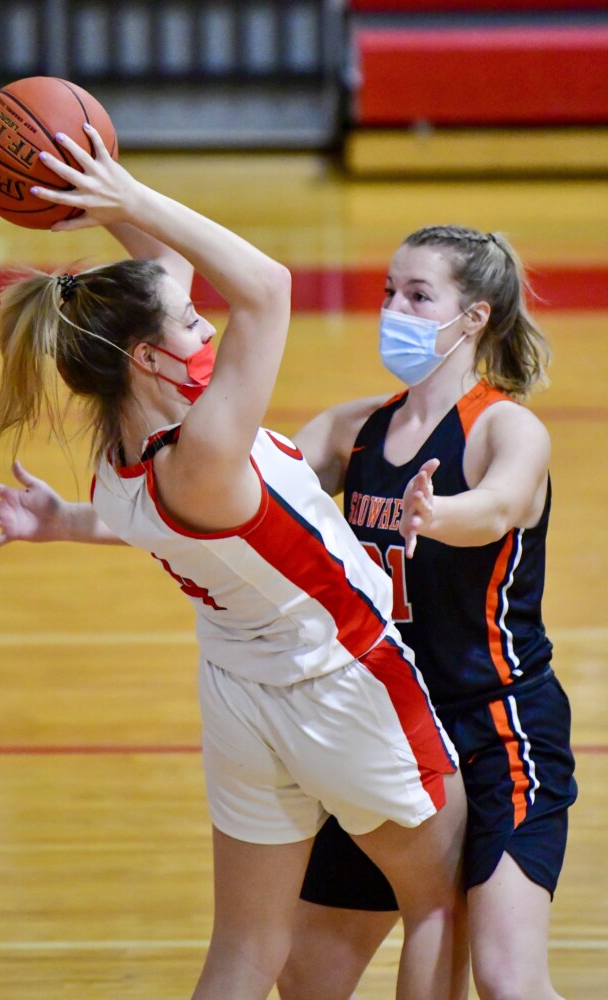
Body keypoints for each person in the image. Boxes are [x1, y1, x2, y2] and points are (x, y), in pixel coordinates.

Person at [0, 126, 468, 1000]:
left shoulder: (120, 464)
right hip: (341, 678)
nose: (206, 322)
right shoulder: (209, 446)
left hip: (237, 697)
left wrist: (63, 522)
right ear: (150, 358)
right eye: (191, 324)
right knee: (439, 902)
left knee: (243, 954)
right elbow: (268, 288)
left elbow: (164, 285)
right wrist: (130, 199)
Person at [277, 225, 578, 1000]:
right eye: (388, 292)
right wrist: (82, 518)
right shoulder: (354, 431)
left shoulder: (505, 428)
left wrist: (438, 516)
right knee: (305, 974)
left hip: (497, 729)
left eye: (417, 296)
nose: (393, 310)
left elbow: (500, 505)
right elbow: (242, 494)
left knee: (507, 979)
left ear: (473, 317)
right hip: (389, 731)